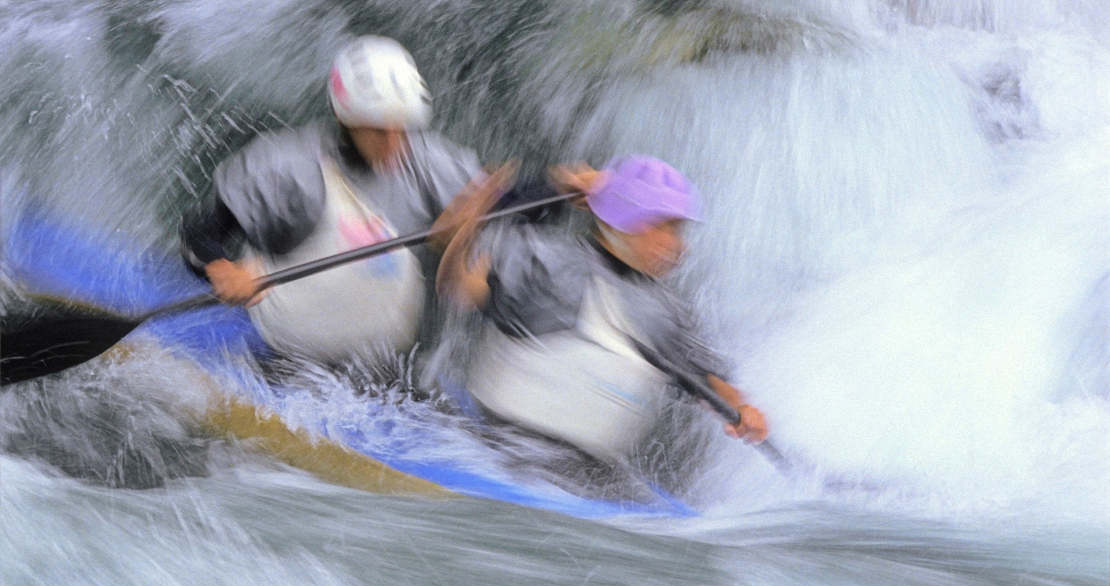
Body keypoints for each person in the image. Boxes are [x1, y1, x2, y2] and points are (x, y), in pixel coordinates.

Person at [436, 155, 768, 469]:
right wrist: (542, 191)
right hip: (498, 444)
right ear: (627, 219)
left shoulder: (668, 312)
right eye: (667, 227)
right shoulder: (545, 257)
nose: (681, 246)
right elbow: (462, 287)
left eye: (680, 231)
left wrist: (742, 409)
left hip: (588, 470)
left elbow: (710, 379)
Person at [182, 35, 494, 363]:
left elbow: (509, 209)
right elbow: (198, 236)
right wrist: (222, 270)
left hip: (383, 366)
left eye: (402, 129)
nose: (394, 144)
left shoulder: (433, 165)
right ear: (345, 117)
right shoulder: (287, 168)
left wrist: (472, 252)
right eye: (378, 130)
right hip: (285, 354)